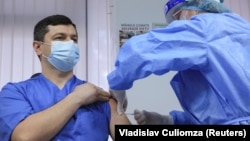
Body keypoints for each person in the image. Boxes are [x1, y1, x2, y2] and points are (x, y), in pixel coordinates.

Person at [108, 0, 250, 125]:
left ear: (196, 5)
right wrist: (169, 120)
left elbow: (137, 52)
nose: (177, 24)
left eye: (178, 16)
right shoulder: (241, 26)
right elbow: (221, 112)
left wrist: (117, 85)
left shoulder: (205, 28)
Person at [0, 14, 131, 141]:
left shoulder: (99, 96)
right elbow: (24, 137)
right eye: (60, 38)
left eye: (74, 39)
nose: (70, 44)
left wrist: (150, 127)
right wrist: (76, 98)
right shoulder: (15, 92)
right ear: (38, 47)